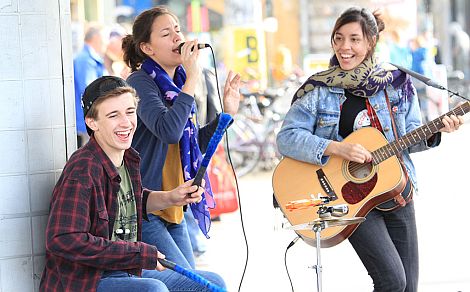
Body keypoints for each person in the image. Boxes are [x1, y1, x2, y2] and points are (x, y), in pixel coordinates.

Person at [276, 7, 464, 292]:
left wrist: (437, 131)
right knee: (392, 281)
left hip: (397, 192)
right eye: (338, 39)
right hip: (351, 201)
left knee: (408, 288)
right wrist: (338, 148)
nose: (344, 47)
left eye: (354, 39)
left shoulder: (397, 86)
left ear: (370, 43)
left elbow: (411, 136)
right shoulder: (318, 89)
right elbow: (287, 138)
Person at [39, 76, 226, 292]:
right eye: (113, 115)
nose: (126, 122)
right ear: (92, 122)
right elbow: (63, 239)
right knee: (153, 289)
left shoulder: (128, 157)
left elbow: (130, 199)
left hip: (124, 269)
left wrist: (172, 196)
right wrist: (136, 253)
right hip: (88, 280)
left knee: (213, 284)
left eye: (129, 112)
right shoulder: (83, 169)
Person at [121, 6, 241, 270]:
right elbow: (169, 130)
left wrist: (227, 115)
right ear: (147, 48)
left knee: (190, 279)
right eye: (166, 33)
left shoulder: (179, 84)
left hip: (174, 205)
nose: (177, 37)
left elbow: (194, 144)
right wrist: (193, 80)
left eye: (177, 29)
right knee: (189, 283)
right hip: (146, 207)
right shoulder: (140, 83)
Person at [74, 25, 107, 147]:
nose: (106, 42)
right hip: (87, 120)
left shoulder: (89, 58)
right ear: (97, 38)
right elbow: (90, 90)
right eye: (104, 38)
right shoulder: (85, 59)